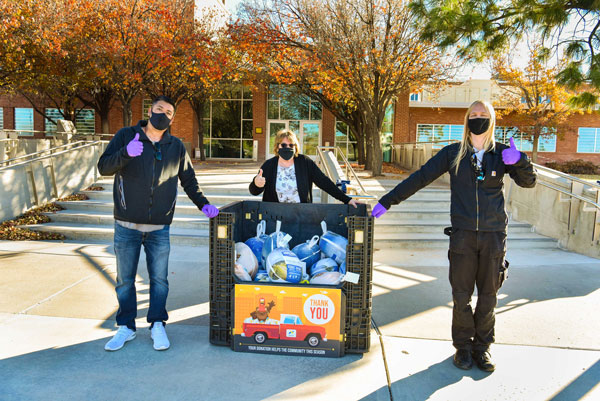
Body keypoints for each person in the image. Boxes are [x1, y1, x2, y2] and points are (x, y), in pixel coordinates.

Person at [371, 100, 536, 372]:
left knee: (488, 296)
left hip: (494, 236)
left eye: (483, 115)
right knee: (461, 296)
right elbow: (420, 178)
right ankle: (462, 348)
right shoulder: (453, 154)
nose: (478, 118)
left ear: (492, 120)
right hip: (463, 236)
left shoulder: (502, 154)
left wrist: (521, 161)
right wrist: (388, 200)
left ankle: (482, 349)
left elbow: (529, 182)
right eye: (474, 114)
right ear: (466, 120)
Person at [98, 95, 219, 352]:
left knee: (160, 280)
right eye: (159, 109)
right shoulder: (126, 135)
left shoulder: (176, 146)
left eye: (169, 112)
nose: (163, 114)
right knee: (125, 280)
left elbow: (189, 181)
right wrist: (125, 154)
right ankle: (126, 327)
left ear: (173, 119)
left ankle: (157, 324)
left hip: (159, 228)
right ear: (149, 111)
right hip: (126, 225)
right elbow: (104, 167)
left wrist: (203, 204)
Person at [249, 129, 359, 207]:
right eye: (283, 145)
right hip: (274, 216)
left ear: (295, 147)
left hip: (301, 216)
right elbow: (254, 191)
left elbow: (324, 182)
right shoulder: (269, 165)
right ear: (277, 147)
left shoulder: (305, 162)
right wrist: (257, 184)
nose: (287, 148)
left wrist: (347, 200)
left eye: (291, 145)